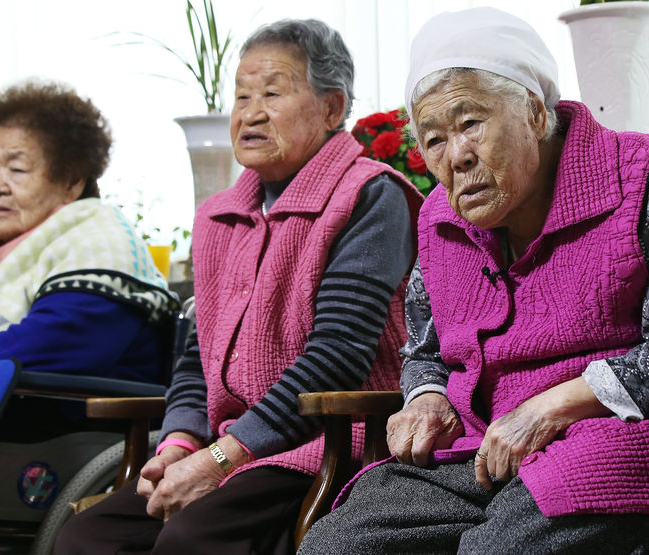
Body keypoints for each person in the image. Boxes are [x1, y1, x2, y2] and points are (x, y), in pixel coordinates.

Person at [298, 8, 649, 554]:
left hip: (612, 442)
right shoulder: (440, 218)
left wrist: (555, 405)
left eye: (470, 124)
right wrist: (427, 396)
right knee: (337, 544)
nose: (456, 156)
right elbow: (425, 349)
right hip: (478, 449)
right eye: (434, 140)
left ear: (532, 110)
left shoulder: (637, 179)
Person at [55, 18, 422, 554]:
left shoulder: (370, 197)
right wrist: (181, 442)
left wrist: (222, 456)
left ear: (331, 109)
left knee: (190, 539)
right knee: (89, 538)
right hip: (233, 449)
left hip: (331, 444)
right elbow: (197, 357)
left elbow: (337, 357)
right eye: (241, 96)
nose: (249, 113)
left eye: (272, 93)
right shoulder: (221, 215)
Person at [0, 80, 177, 397]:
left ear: (72, 180)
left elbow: (38, 347)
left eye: (17, 169)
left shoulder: (98, 246)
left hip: (55, 437)